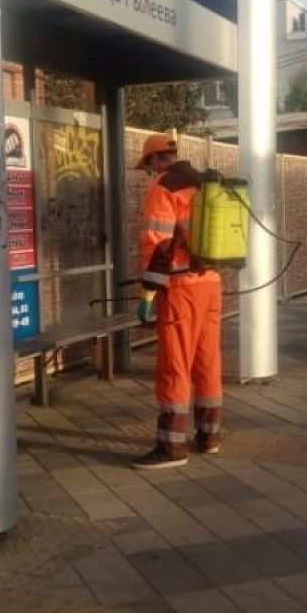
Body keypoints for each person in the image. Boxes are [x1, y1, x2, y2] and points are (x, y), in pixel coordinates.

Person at [132, 133, 223, 470]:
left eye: (148, 165)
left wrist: (148, 292)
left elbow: (158, 243)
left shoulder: (164, 187)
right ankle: (209, 436)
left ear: (155, 160)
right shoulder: (202, 183)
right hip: (211, 282)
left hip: (182, 287)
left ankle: (171, 448)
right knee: (207, 361)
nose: (149, 172)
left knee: (175, 364)